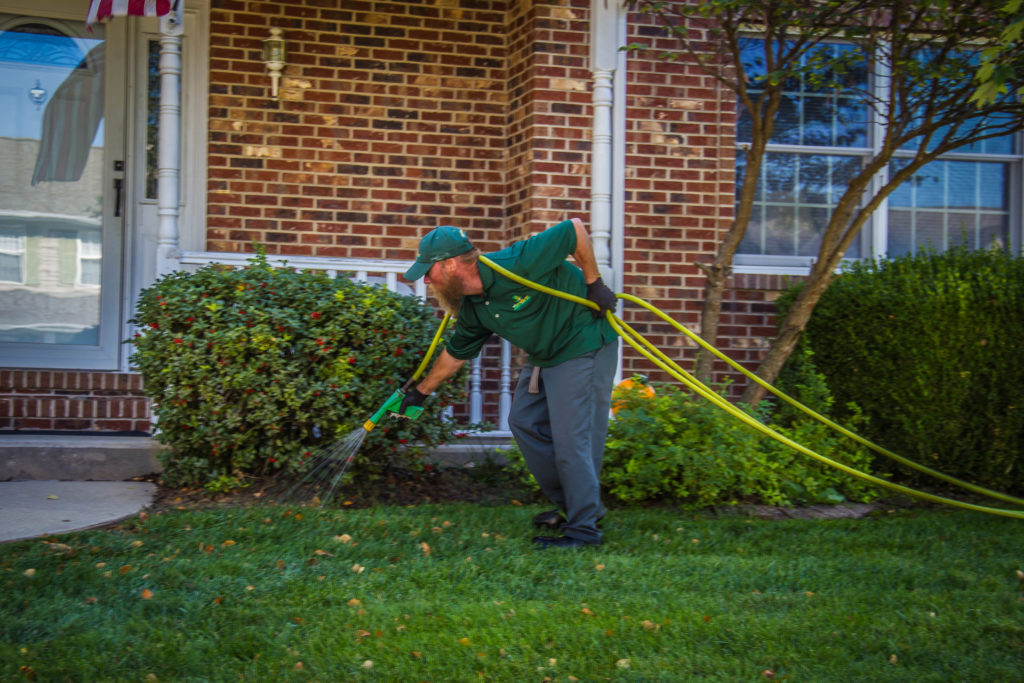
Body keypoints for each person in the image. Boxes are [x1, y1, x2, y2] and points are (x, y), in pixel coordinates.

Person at [400, 217, 619, 548]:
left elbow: (574, 229)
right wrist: (419, 392)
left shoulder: (516, 262)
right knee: (523, 421)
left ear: (450, 265)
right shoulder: (472, 306)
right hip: (546, 355)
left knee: (571, 439)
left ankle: (584, 530)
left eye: (429, 272)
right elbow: (455, 354)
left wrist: (593, 283)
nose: (427, 280)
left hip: (583, 343)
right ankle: (578, 507)